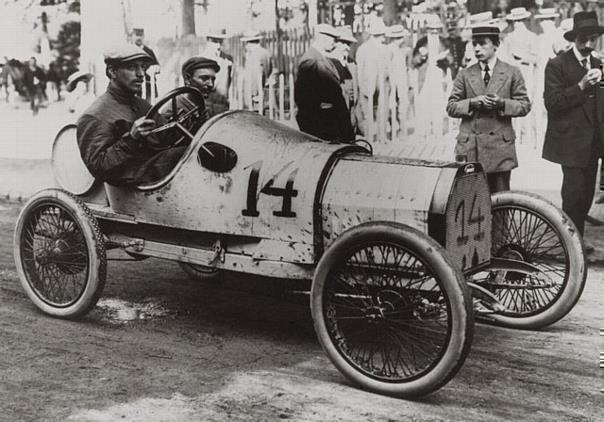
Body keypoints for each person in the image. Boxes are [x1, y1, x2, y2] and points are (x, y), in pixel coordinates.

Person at [77, 44, 183, 186]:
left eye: (143, 67)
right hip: (133, 183)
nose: (141, 74)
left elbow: (167, 137)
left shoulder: (141, 104)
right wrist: (132, 138)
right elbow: (99, 168)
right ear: (112, 72)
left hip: (155, 173)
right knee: (186, 156)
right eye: (132, 67)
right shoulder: (95, 115)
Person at [447, 24, 531, 193]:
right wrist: (472, 103)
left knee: (500, 200)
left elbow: (524, 105)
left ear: (496, 45)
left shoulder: (511, 72)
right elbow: (451, 107)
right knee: (471, 201)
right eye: (474, 44)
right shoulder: (465, 74)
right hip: (471, 148)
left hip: (499, 148)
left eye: (482, 44)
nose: (477, 49)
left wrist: (502, 104)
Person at [542, 11, 604, 240]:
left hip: (593, 144)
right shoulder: (557, 64)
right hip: (570, 145)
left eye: (593, 39)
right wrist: (581, 85)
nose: (588, 44)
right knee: (573, 197)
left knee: (587, 196)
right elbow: (552, 102)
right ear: (574, 38)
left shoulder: (598, 63)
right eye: (583, 39)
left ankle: (577, 241)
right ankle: (570, 246)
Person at [294, 23, 354, 143]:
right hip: (321, 125)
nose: (334, 42)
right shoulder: (311, 60)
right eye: (332, 38)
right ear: (322, 38)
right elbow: (303, 98)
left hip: (329, 122)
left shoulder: (322, 58)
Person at [162, 56, 220, 135]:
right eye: (204, 78)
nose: (211, 84)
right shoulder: (172, 110)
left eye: (213, 79)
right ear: (187, 79)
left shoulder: (208, 108)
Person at [132, 28, 160, 100]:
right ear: (132, 36)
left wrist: (154, 68)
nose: (138, 38)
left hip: (148, 86)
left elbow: (157, 66)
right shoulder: (129, 51)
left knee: (148, 108)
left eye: (140, 36)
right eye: (136, 35)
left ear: (143, 37)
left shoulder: (149, 51)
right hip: (133, 85)